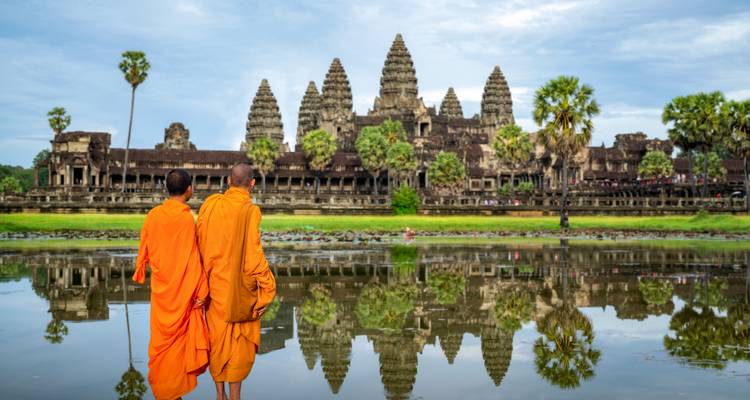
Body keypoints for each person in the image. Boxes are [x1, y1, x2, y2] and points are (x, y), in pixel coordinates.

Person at [197, 163, 277, 400]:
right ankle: (234, 396)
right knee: (237, 343)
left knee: (217, 339)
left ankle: (219, 394)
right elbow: (253, 256)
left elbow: (200, 243)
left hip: (214, 287)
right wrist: (268, 287)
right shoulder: (250, 211)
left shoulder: (211, 205)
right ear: (252, 184)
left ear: (228, 181)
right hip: (239, 291)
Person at [133, 169, 209, 400]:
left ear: (167, 189)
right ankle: (173, 393)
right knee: (177, 348)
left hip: (162, 292)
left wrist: (141, 270)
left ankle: (168, 393)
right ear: (189, 190)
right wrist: (202, 288)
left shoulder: (153, 216)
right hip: (183, 293)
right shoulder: (186, 219)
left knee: (161, 345)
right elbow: (193, 258)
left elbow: (144, 251)